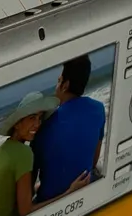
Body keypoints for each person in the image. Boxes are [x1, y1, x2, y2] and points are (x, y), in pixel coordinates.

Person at [32, 53, 106, 203]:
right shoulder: (99, 109)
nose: (56, 86)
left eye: (59, 81)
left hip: (51, 204)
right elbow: (93, 161)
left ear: (65, 85)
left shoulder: (43, 125)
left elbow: (29, 183)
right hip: (86, 190)